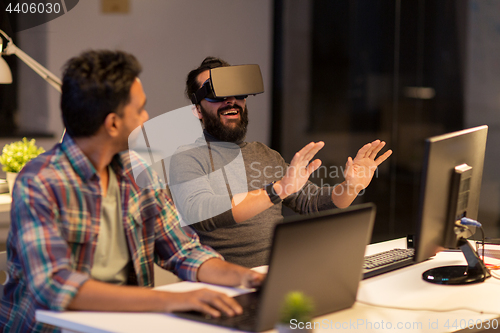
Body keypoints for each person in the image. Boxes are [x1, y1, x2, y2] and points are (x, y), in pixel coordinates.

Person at [0, 51, 264, 332]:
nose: (146, 117)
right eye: (140, 109)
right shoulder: (40, 182)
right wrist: (170, 300)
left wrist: (246, 279)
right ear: (113, 123)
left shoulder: (135, 172)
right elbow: (57, 287)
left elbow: (184, 251)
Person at [168, 57, 392, 268]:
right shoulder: (187, 158)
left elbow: (312, 202)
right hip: (225, 285)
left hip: (278, 273)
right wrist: (278, 190)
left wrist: (351, 186)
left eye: (236, 92)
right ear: (198, 110)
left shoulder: (265, 154)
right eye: (217, 93)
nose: (230, 100)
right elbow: (202, 212)